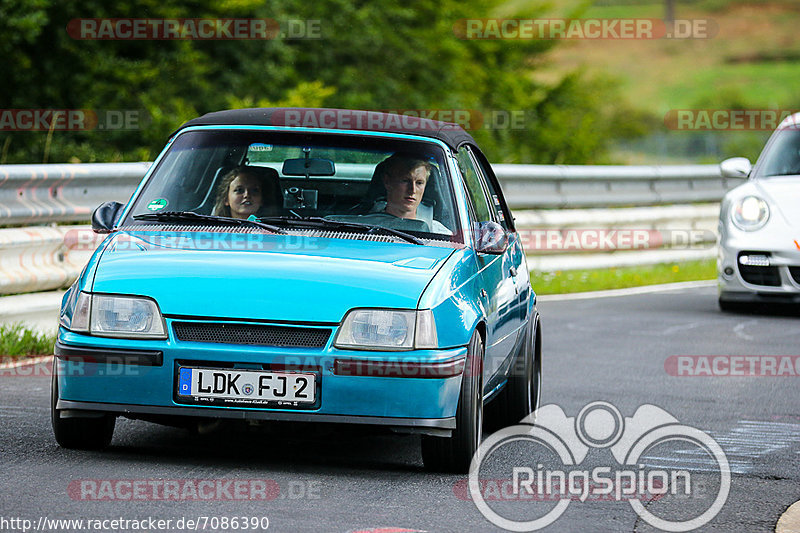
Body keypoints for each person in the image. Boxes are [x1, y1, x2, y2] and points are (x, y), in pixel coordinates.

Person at [378, 154, 450, 233]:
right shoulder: (364, 227)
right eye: (405, 180)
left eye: (419, 183)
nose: (413, 190)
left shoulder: (440, 234)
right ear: (387, 182)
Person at [212, 166, 278, 219]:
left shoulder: (275, 231)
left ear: (262, 199)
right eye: (239, 190)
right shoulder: (212, 230)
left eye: (254, 190)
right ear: (226, 199)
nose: (247, 195)